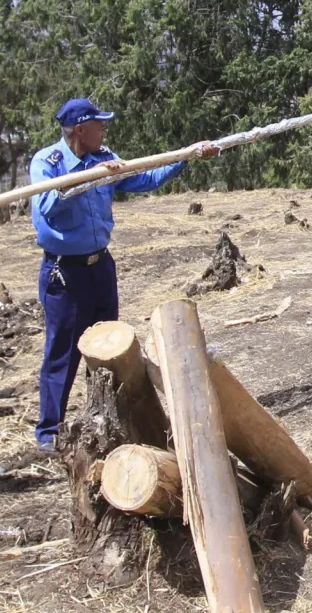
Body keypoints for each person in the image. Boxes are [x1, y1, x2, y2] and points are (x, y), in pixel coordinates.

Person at [29, 98, 217, 450]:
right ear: (80, 130)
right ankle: (49, 432)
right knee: (63, 353)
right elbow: (46, 207)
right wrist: (90, 178)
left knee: (108, 348)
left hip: (100, 266)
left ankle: (103, 420)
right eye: (99, 125)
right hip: (65, 274)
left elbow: (143, 179)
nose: (105, 130)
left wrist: (185, 157)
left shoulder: (105, 157)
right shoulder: (47, 162)